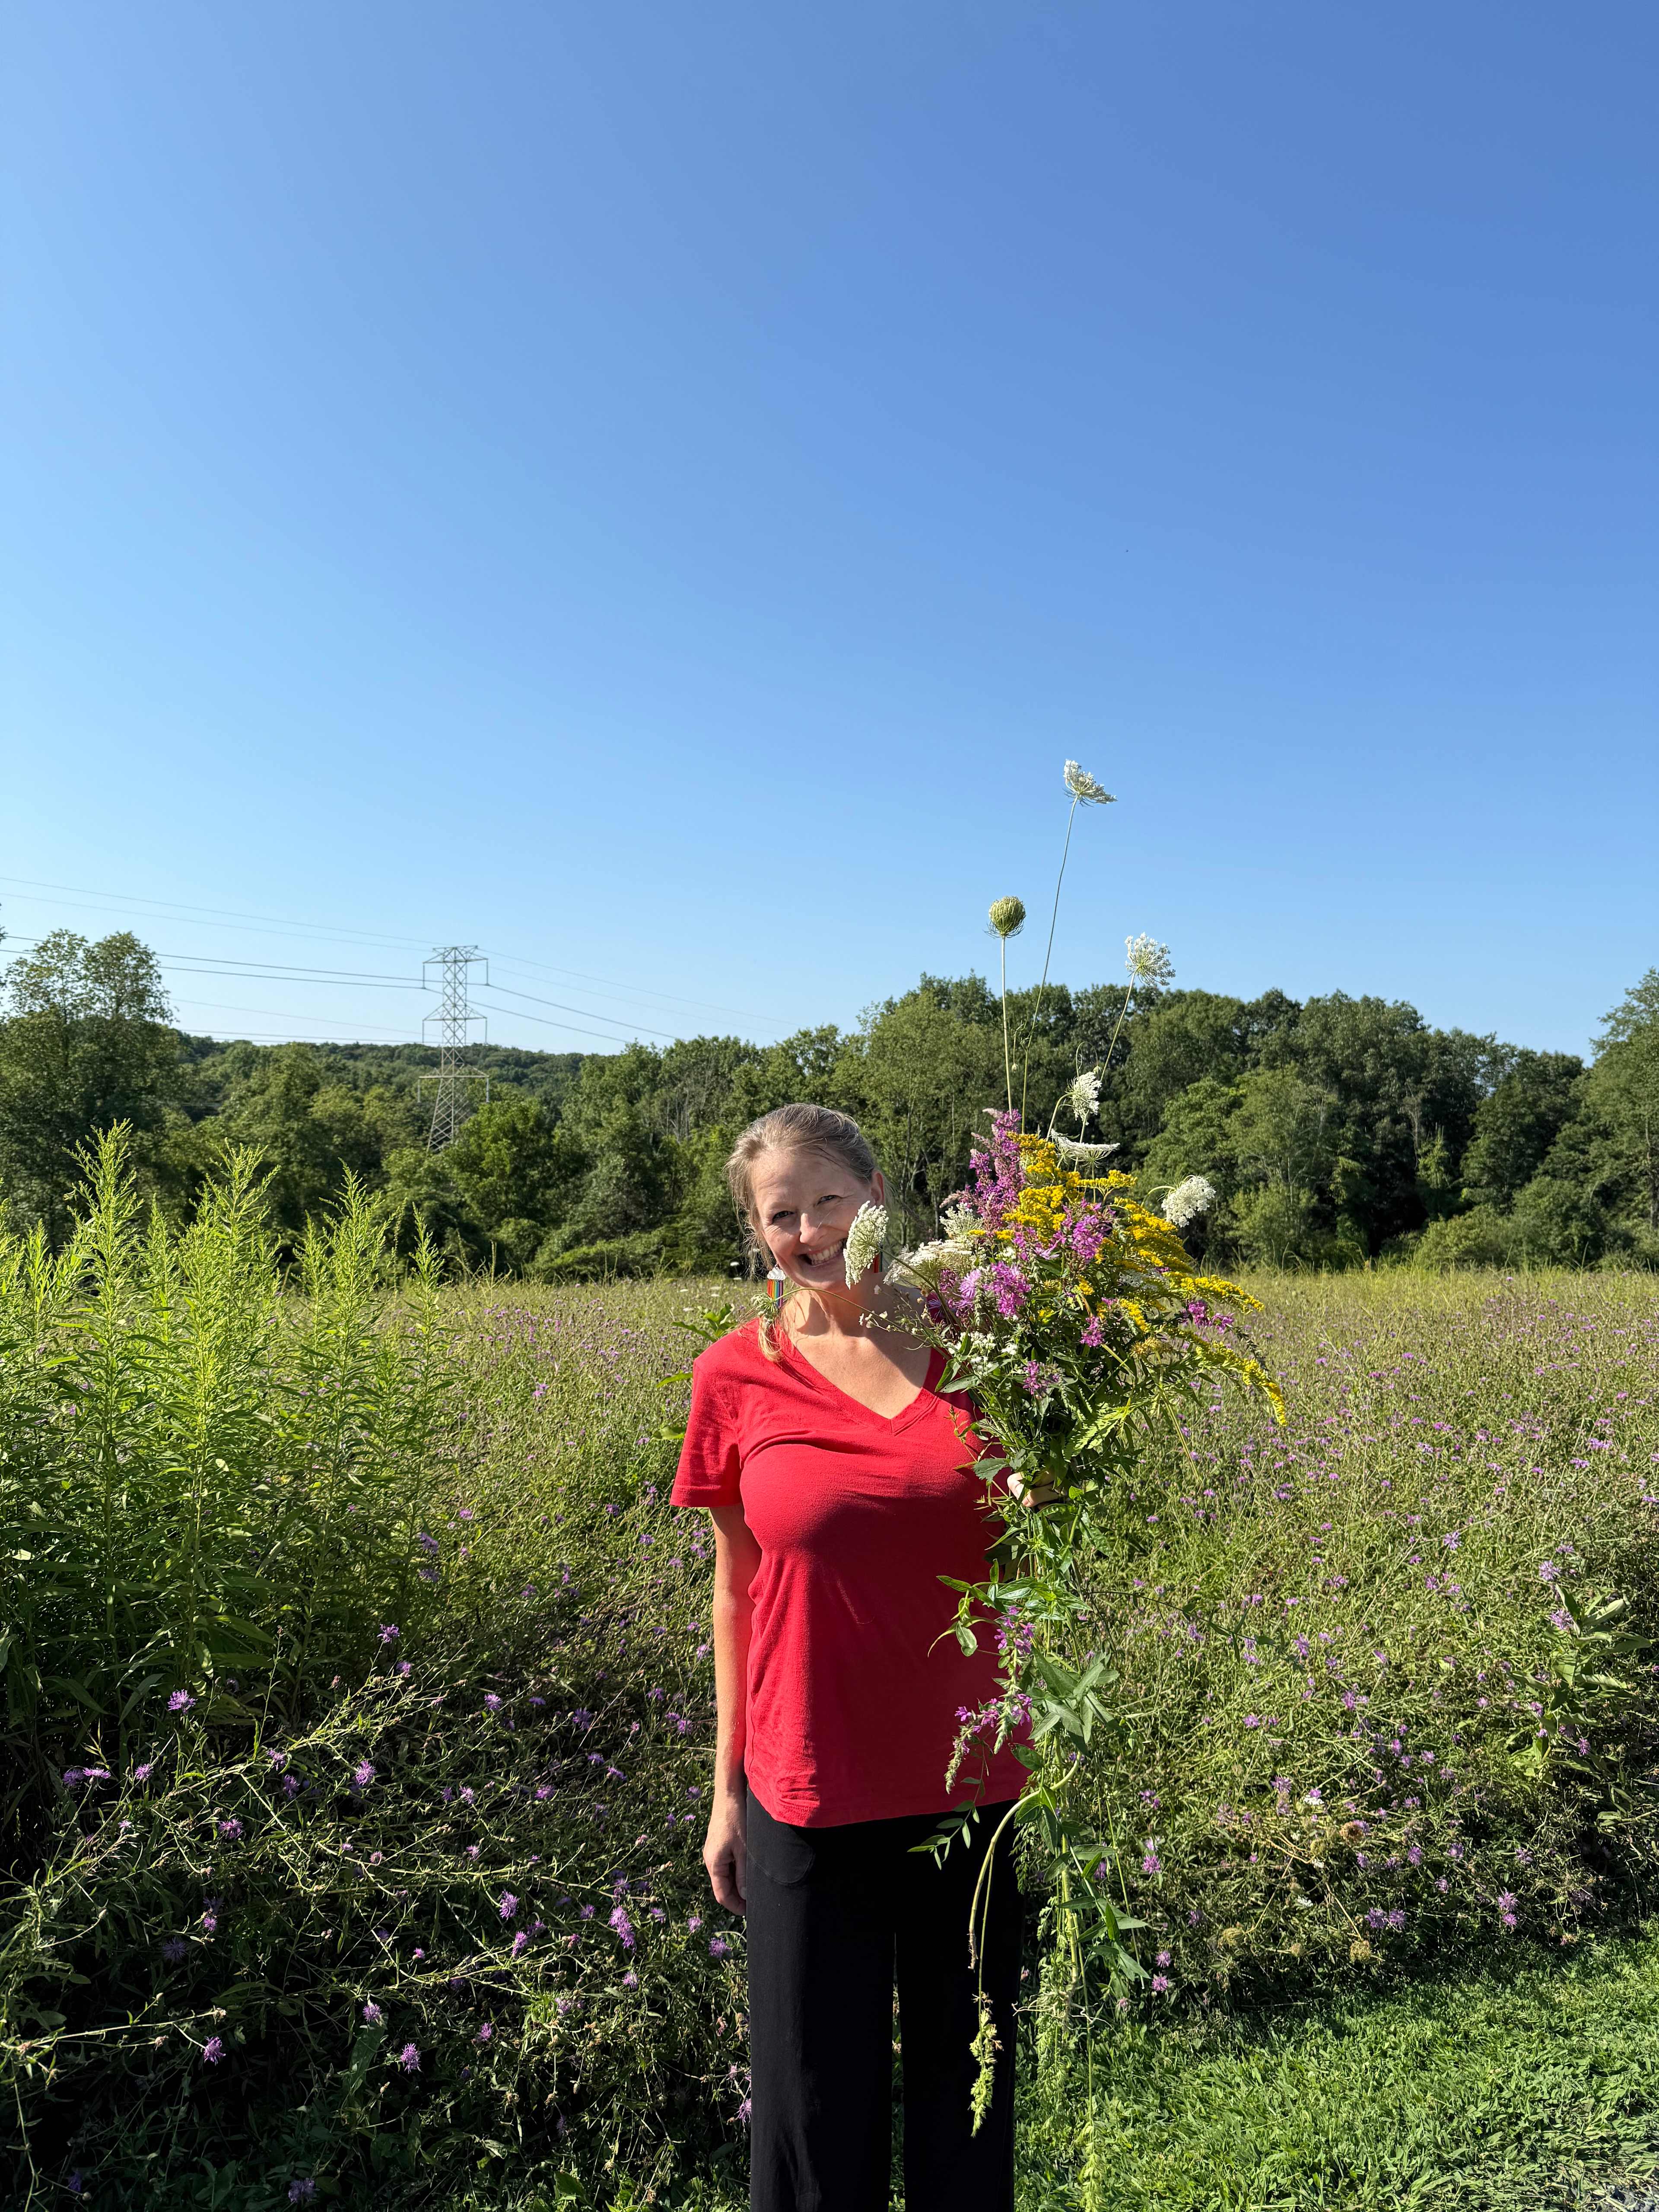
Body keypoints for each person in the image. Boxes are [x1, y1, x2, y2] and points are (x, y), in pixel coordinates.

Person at [671, 1103, 1033, 2212]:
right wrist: (726, 1793)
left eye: (830, 1199)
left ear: (878, 1196)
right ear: (758, 1233)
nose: (811, 1229)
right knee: (809, 2111)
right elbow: (737, 1595)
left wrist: (1051, 1489)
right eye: (782, 1214)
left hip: (973, 1783)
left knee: (965, 2101)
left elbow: (1046, 1555)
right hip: (805, 1784)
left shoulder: (1001, 1353)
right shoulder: (735, 1377)